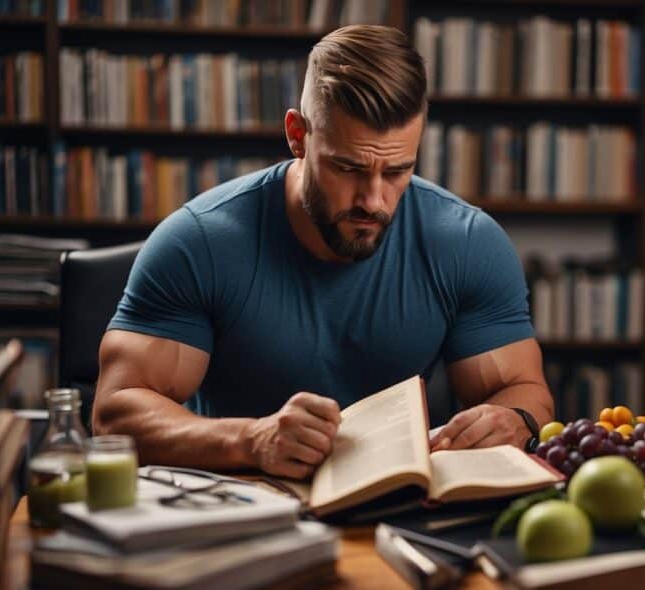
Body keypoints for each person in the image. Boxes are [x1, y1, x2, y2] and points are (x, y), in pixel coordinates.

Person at [92, 25, 554, 480]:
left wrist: (514, 419)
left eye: (397, 170)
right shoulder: (200, 241)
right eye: (347, 167)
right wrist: (250, 441)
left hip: (399, 516)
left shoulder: (467, 243)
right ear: (298, 135)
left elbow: (522, 389)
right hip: (238, 512)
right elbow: (115, 414)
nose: (373, 201)